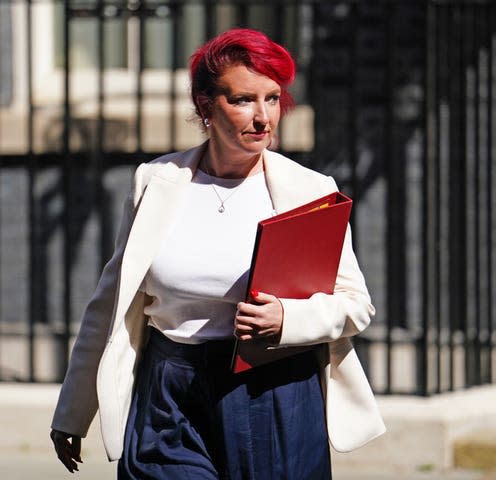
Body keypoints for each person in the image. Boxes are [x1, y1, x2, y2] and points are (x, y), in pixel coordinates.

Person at [50, 28, 385, 479]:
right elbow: (111, 302)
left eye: (272, 99)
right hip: (169, 392)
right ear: (206, 106)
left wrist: (289, 319)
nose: (263, 117)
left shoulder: (309, 191)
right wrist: (73, 412)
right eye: (244, 99)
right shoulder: (157, 180)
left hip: (271, 391)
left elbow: (355, 304)